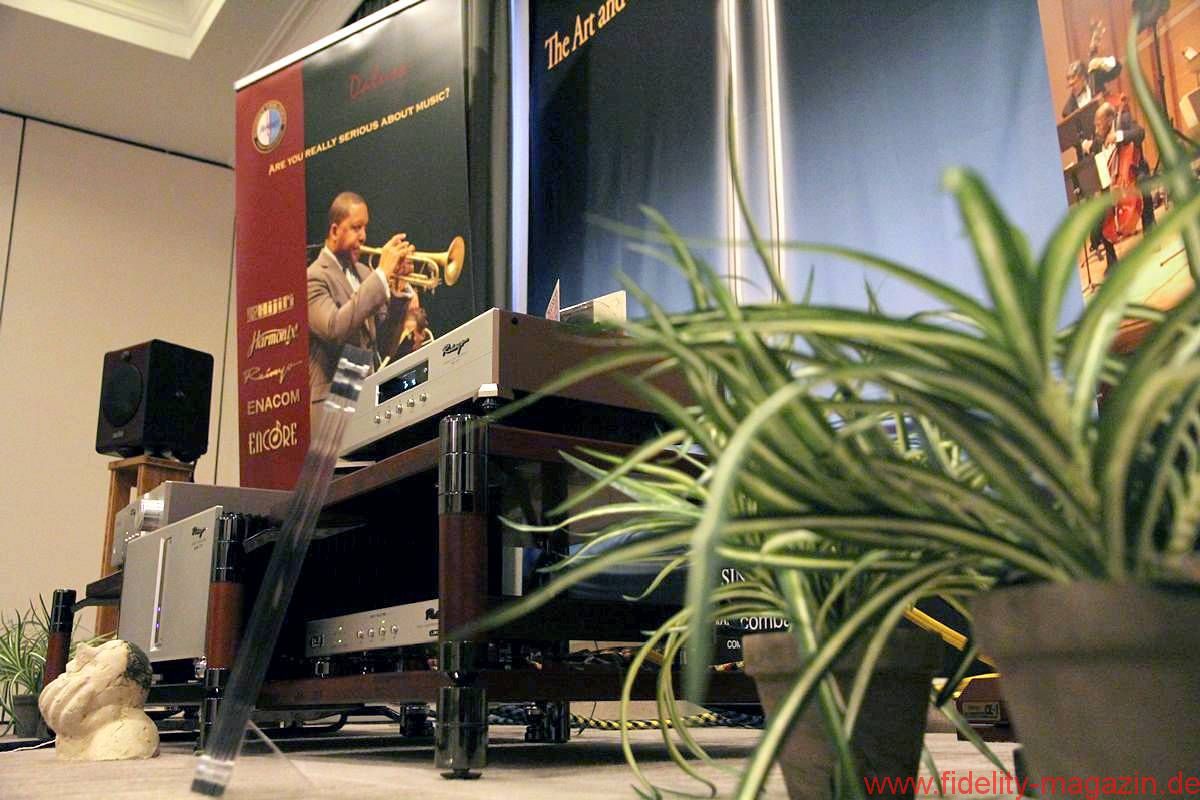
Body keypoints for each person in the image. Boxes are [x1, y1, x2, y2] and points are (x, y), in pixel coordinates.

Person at [307, 191, 421, 421]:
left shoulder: (364, 273)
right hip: (332, 406)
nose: (363, 236)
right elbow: (334, 328)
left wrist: (399, 290)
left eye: (365, 228)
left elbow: (384, 346)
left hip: (366, 399)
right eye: (356, 228)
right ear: (334, 231)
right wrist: (381, 275)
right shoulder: (313, 277)